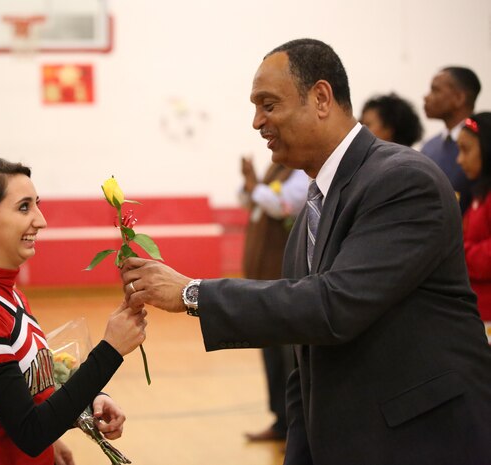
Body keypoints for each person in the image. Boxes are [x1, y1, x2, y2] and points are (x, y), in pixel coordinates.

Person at [120, 39, 491, 465]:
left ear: (320, 98)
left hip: (426, 441)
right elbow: (306, 366)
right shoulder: (311, 215)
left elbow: (334, 306)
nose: (257, 121)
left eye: (269, 104)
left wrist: (193, 294)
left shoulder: (403, 179)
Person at [0, 155, 147, 465]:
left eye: (36, 204)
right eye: (24, 207)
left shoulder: (8, 294)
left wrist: (92, 400)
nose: (40, 220)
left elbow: (33, 398)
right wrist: (110, 351)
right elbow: (31, 431)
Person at [239, 158, 308, 442]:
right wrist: (251, 181)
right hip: (264, 281)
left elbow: (282, 205)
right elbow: (249, 199)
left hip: (284, 282)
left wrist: (255, 185)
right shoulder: (276, 169)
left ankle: (297, 428)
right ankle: (281, 422)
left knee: (289, 357)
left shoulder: (303, 173)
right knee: (270, 353)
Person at [422, 66, 482, 213]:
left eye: (435, 90)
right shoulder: (430, 147)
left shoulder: (483, 143)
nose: (426, 97)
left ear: (459, 98)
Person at [457, 112, 491, 342]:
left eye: (466, 149)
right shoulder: (478, 195)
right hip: (477, 313)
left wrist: (456, 252)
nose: (459, 159)